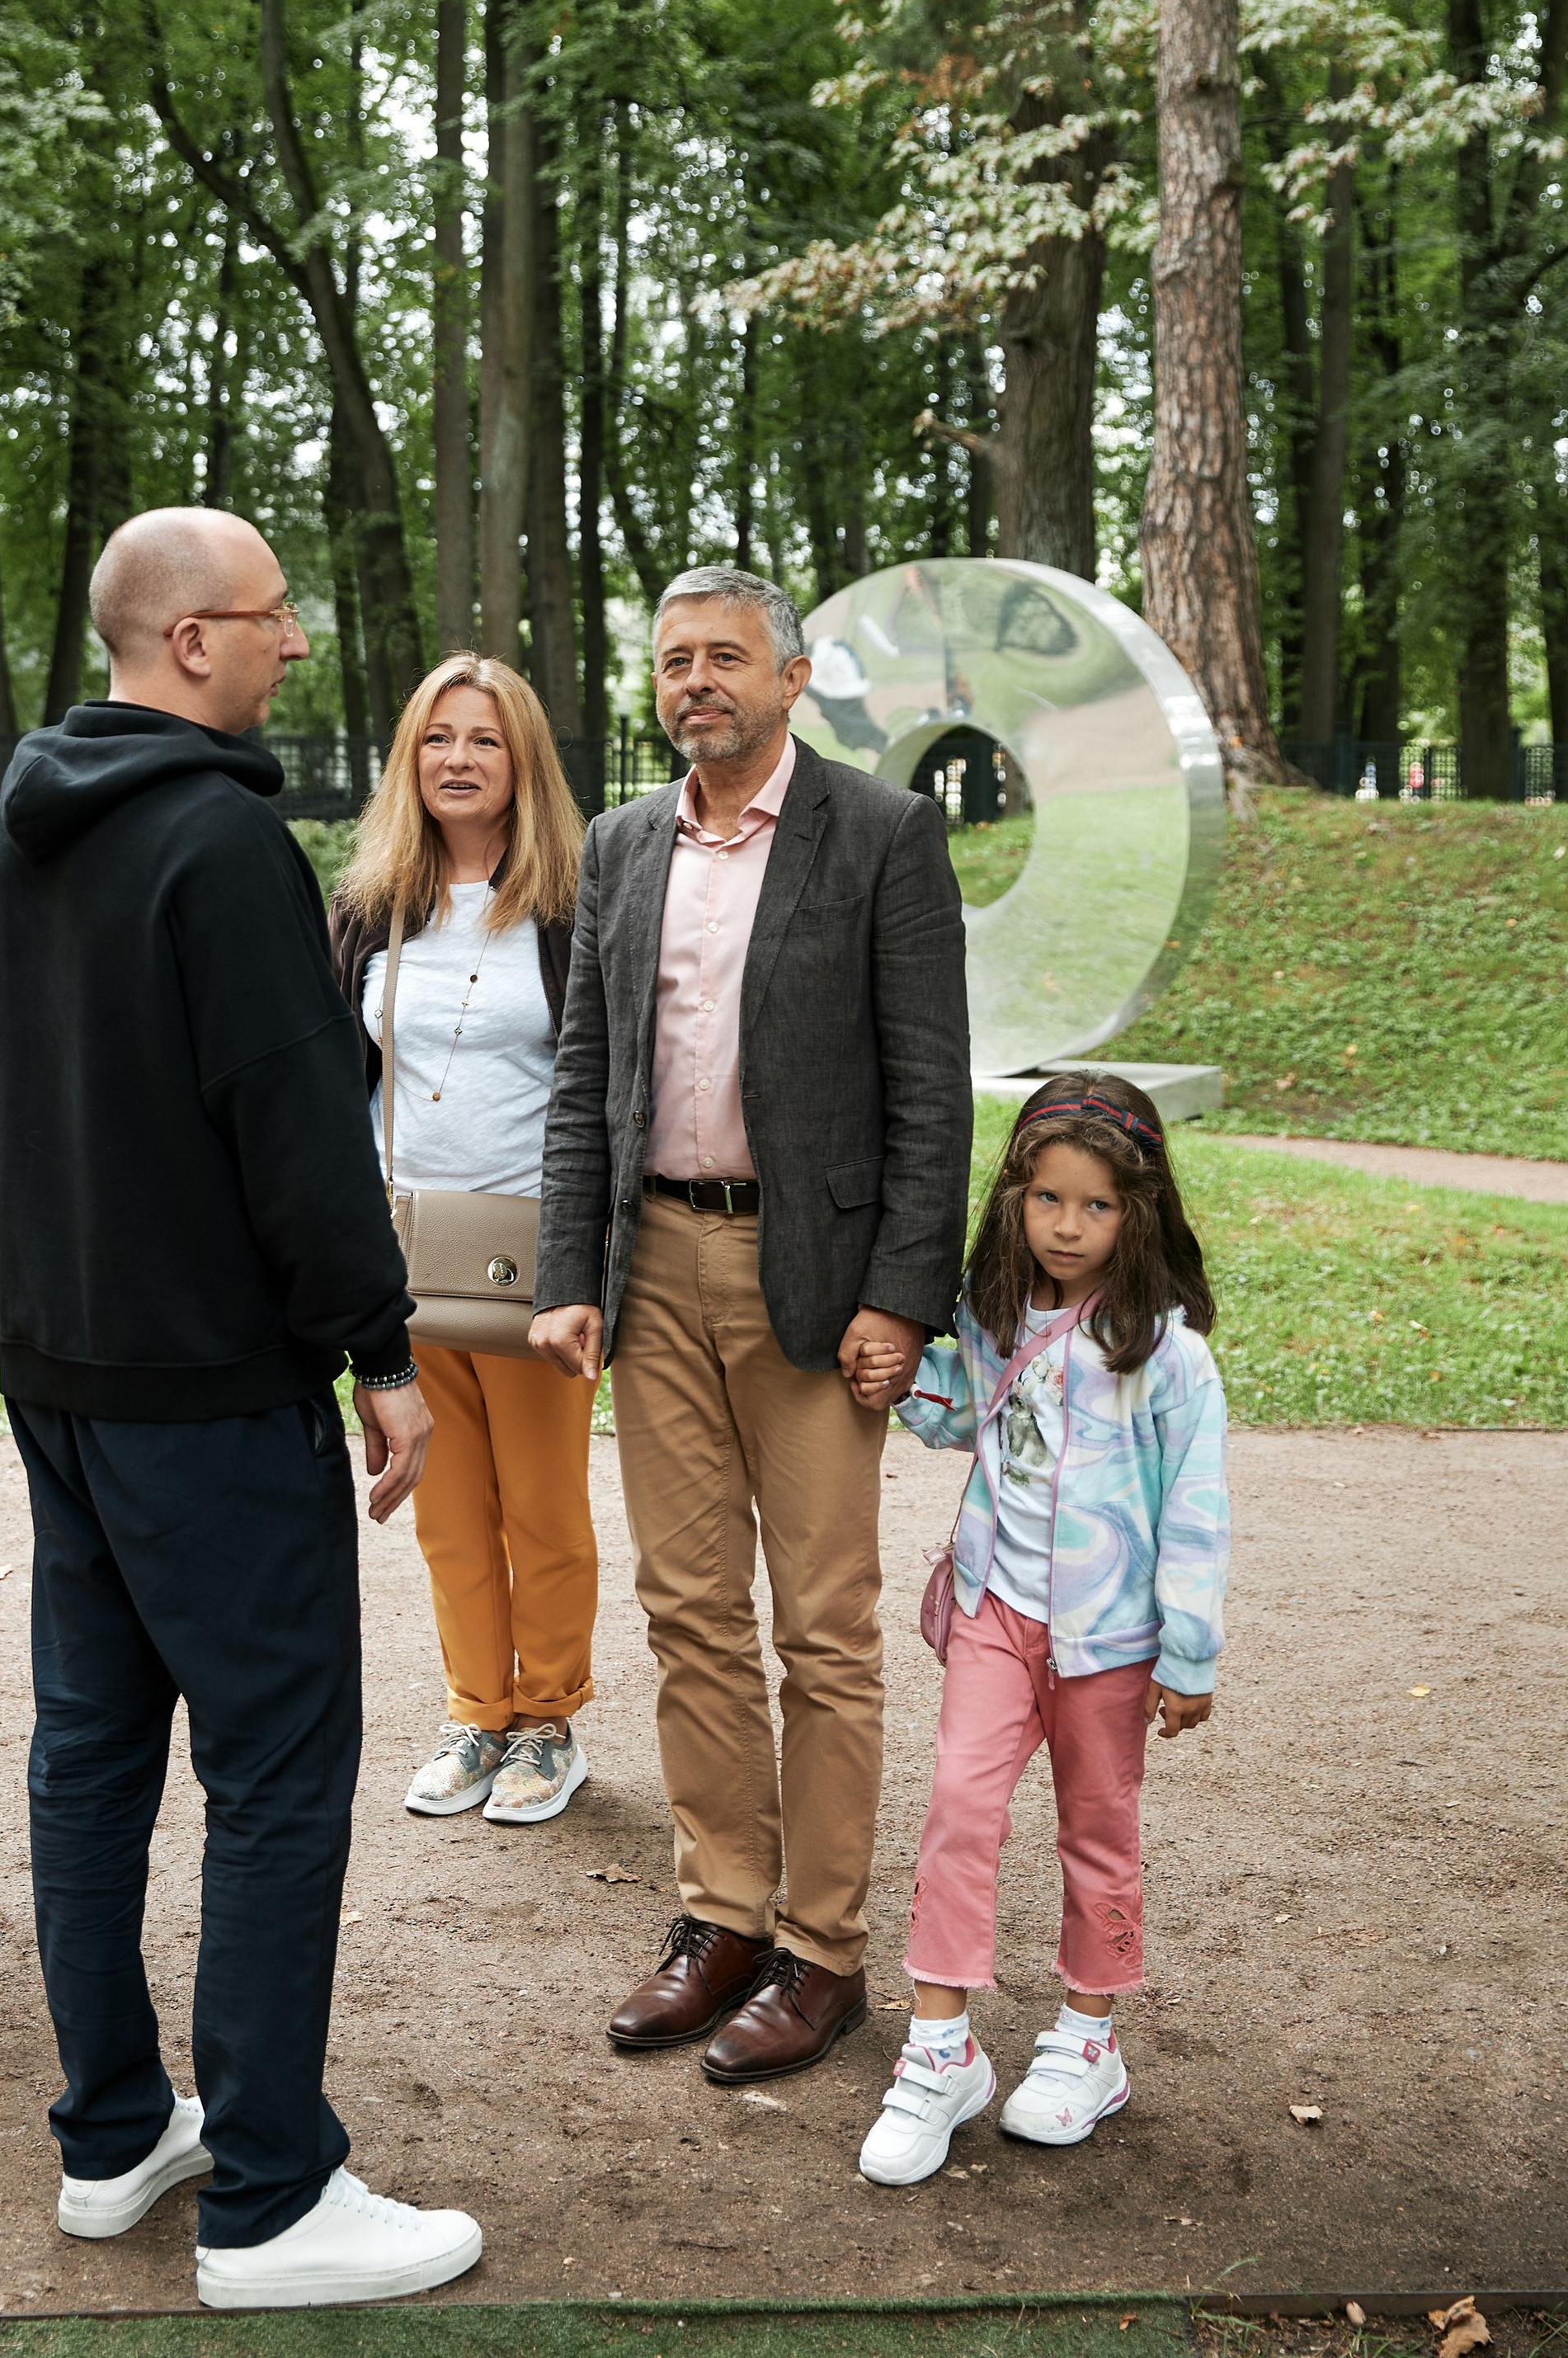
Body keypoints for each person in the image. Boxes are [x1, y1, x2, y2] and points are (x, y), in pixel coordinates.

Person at [0, 505, 482, 2309]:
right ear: (187, 641)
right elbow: (297, 1125)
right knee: (274, 1774)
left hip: (61, 1376)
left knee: (89, 1757)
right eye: (269, 619)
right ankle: (267, 2192)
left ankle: (114, 2138)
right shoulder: (224, 845)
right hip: (205, 1394)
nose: (293, 645)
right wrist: (381, 1351)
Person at [533, 564, 972, 2087]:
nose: (694, 681)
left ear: (792, 677)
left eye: (724, 656)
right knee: (689, 1613)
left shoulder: (884, 833)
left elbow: (931, 1088)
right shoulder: (621, 842)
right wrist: (568, 1271)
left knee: (827, 1634)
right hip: (653, 1267)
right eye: (672, 661)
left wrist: (902, 1295)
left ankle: (823, 1951)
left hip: (815, 1289)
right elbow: (589, 1074)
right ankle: (721, 1919)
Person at [855, 1076, 1228, 2186]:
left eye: (1096, 1206)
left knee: (1099, 1833)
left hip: (1111, 1650)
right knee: (959, 1810)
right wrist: (899, 1378)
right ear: (1017, 1198)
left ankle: (1088, 2041)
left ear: (1140, 1214)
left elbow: (1196, 1515)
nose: (1067, 1226)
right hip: (994, 1618)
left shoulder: (1172, 1358)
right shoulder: (997, 1317)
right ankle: (940, 2052)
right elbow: (965, 1413)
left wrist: (1188, 1653)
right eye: (1048, 1199)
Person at [327, 654, 595, 1827]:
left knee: (543, 1506)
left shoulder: (573, 909)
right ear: (410, 759)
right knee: (442, 1507)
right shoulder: (370, 908)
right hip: (405, 1253)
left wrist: (592, 1259)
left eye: (483, 740)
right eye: (437, 739)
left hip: (536, 1256)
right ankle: (477, 1715)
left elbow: (602, 1088)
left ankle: (549, 1724)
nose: (458, 760)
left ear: (522, 759)